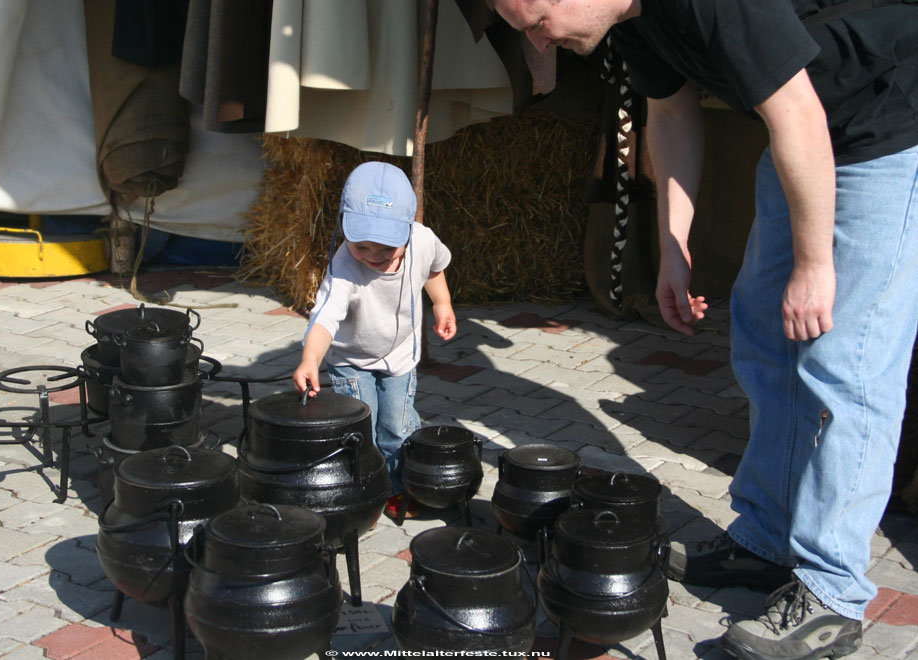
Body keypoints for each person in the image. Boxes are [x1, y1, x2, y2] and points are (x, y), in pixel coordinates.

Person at [493, 1, 918, 659]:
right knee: (762, 332)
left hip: (885, 121)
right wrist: (673, 248)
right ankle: (765, 540)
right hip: (807, 127)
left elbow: (795, 110)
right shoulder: (633, 19)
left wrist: (814, 265)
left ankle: (832, 592)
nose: (534, 39)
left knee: (845, 360)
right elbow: (669, 112)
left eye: (533, 18)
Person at [292, 161, 457, 520]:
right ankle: (363, 487)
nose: (373, 257)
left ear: (407, 230)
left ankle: (398, 487)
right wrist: (310, 359)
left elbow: (434, 268)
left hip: (400, 356)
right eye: (361, 246)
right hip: (351, 361)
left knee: (396, 425)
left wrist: (442, 303)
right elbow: (324, 320)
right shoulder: (344, 267)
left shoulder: (423, 240)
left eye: (386, 248)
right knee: (362, 426)